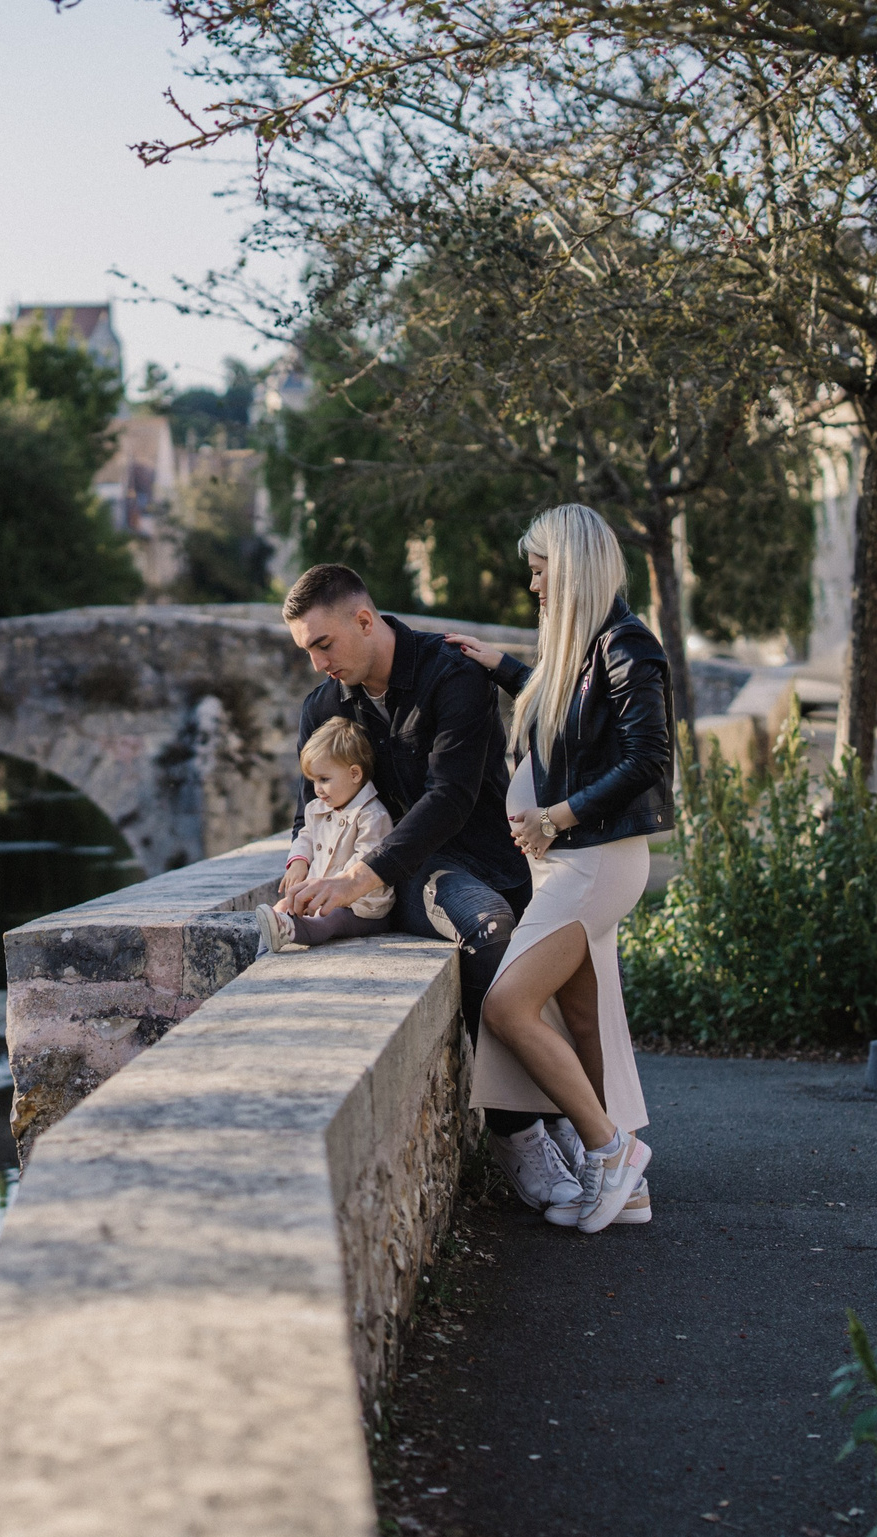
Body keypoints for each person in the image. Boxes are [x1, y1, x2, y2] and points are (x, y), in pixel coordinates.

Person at [279, 565, 581, 1202]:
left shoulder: (453, 676)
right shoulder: (325, 708)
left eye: (323, 644)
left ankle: (565, 1120)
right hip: (417, 877)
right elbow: (307, 816)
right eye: (306, 651)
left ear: (365, 620)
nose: (316, 664)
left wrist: (359, 876)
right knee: (487, 932)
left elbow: (451, 796)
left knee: (548, 969)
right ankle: (518, 1134)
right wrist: (301, 874)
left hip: (491, 859)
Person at [448, 505, 675, 1235]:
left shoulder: (629, 646)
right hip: (571, 866)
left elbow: (648, 758)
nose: (535, 586)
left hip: (595, 863)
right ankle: (627, 1192)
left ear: (571, 567)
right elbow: (570, 712)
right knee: (582, 1018)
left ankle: (613, 1151)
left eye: (541, 571)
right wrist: (501, 666)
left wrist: (557, 817)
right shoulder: (585, 649)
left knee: (508, 1006)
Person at [257, 718, 395, 951]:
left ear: (354, 774)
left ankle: (294, 930)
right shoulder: (316, 809)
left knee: (330, 919)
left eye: (324, 779)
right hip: (321, 893)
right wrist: (299, 861)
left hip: (362, 906)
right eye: (313, 781)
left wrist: (326, 891)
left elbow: (365, 861)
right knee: (280, 907)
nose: (317, 789)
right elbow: (306, 836)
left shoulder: (372, 815)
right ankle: (263, 955)